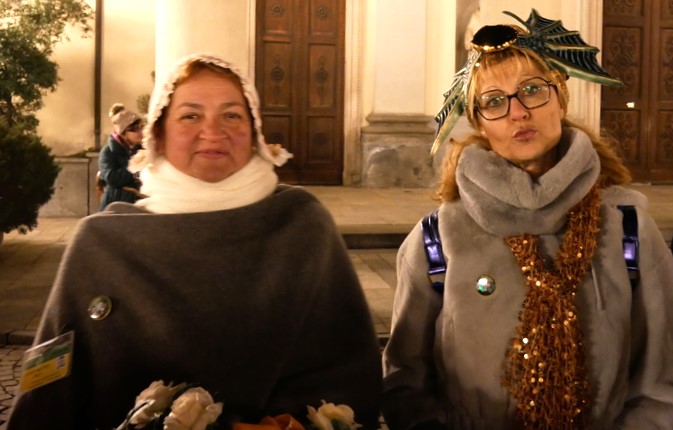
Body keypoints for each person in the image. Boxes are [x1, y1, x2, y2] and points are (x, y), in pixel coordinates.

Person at [7, 53, 382, 429]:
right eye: (190, 116)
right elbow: (49, 389)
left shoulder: (304, 225)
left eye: (232, 115)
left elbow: (350, 368)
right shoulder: (99, 244)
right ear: (159, 135)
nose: (213, 131)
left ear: (255, 131)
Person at [382, 9, 673, 430]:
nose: (517, 112)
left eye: (532, 90)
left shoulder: (629, 230)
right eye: (494, 101)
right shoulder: (438, 237)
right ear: (479, 122)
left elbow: (661, 382)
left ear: (560, 98)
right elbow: (405, 379)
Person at [97, 103, 144, 211]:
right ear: (123, 133)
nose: (140, 132)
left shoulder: (142, 149)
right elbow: (112, 178)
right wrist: (136, 166)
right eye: (134, 129)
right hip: (116, 205)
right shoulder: (108, 151)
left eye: (141, 127)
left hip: (141, 201)